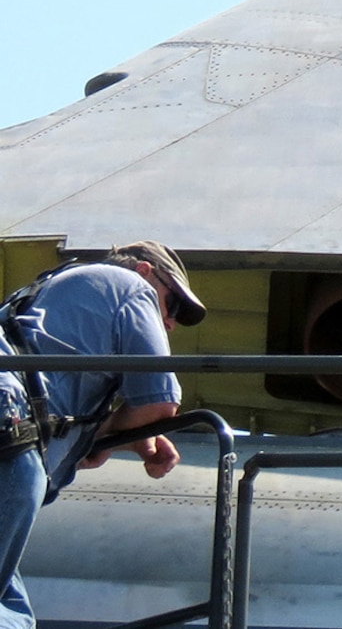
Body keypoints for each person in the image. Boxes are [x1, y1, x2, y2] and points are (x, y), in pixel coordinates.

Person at [0, 241, 202, 627]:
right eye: (171, 305)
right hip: (11, 437)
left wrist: (115, 436)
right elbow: (160, 403)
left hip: (15, 432)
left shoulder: (45, 298)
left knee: (14, 614)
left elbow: (57, 395)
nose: (171, 323)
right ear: (145, 271)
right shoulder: (129, 286)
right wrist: (128, 427)